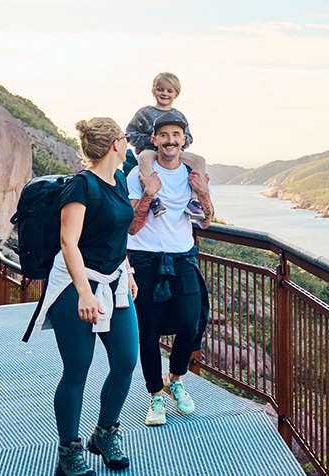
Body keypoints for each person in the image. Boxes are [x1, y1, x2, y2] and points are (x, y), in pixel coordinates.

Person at [25, 118, 139, 476]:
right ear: (114, 145)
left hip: (114, 280)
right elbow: (68, 242)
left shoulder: (119, 179)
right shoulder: (81, 186)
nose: (127, 142)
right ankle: (68, 452)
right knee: (77, 368)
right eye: (124, 138)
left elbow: (117, 233)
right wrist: (85, 293)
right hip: (76, 285)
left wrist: (128, 270)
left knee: (126, 361)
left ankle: (104, 434)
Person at [126, 111, 214, 426]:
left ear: (184, 139)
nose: (170, 140)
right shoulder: (138, 174)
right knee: (148, 332)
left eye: (176, 134)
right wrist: (149, 193)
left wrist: (203, 193)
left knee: (191, 323)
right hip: (145, 258)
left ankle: (174, 378)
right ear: (154, 139)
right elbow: (132, 227)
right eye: (164, 135)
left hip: (182, 257)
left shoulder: (193, 173)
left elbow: (206, 221)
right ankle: (155, 395)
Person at [126, 71, 208, 220]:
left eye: (169, 91)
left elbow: (188, 137)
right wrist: (152, 140)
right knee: (144, 157)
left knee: (200, 160)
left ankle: (194, 201)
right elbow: (130, 135)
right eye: (160, 89)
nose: (164, 93)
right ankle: (154, 199)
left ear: (176, 94)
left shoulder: (178, 116)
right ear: (154, 91)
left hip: (174, 152)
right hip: (150, 152)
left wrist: (176, 142)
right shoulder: (144, 113)